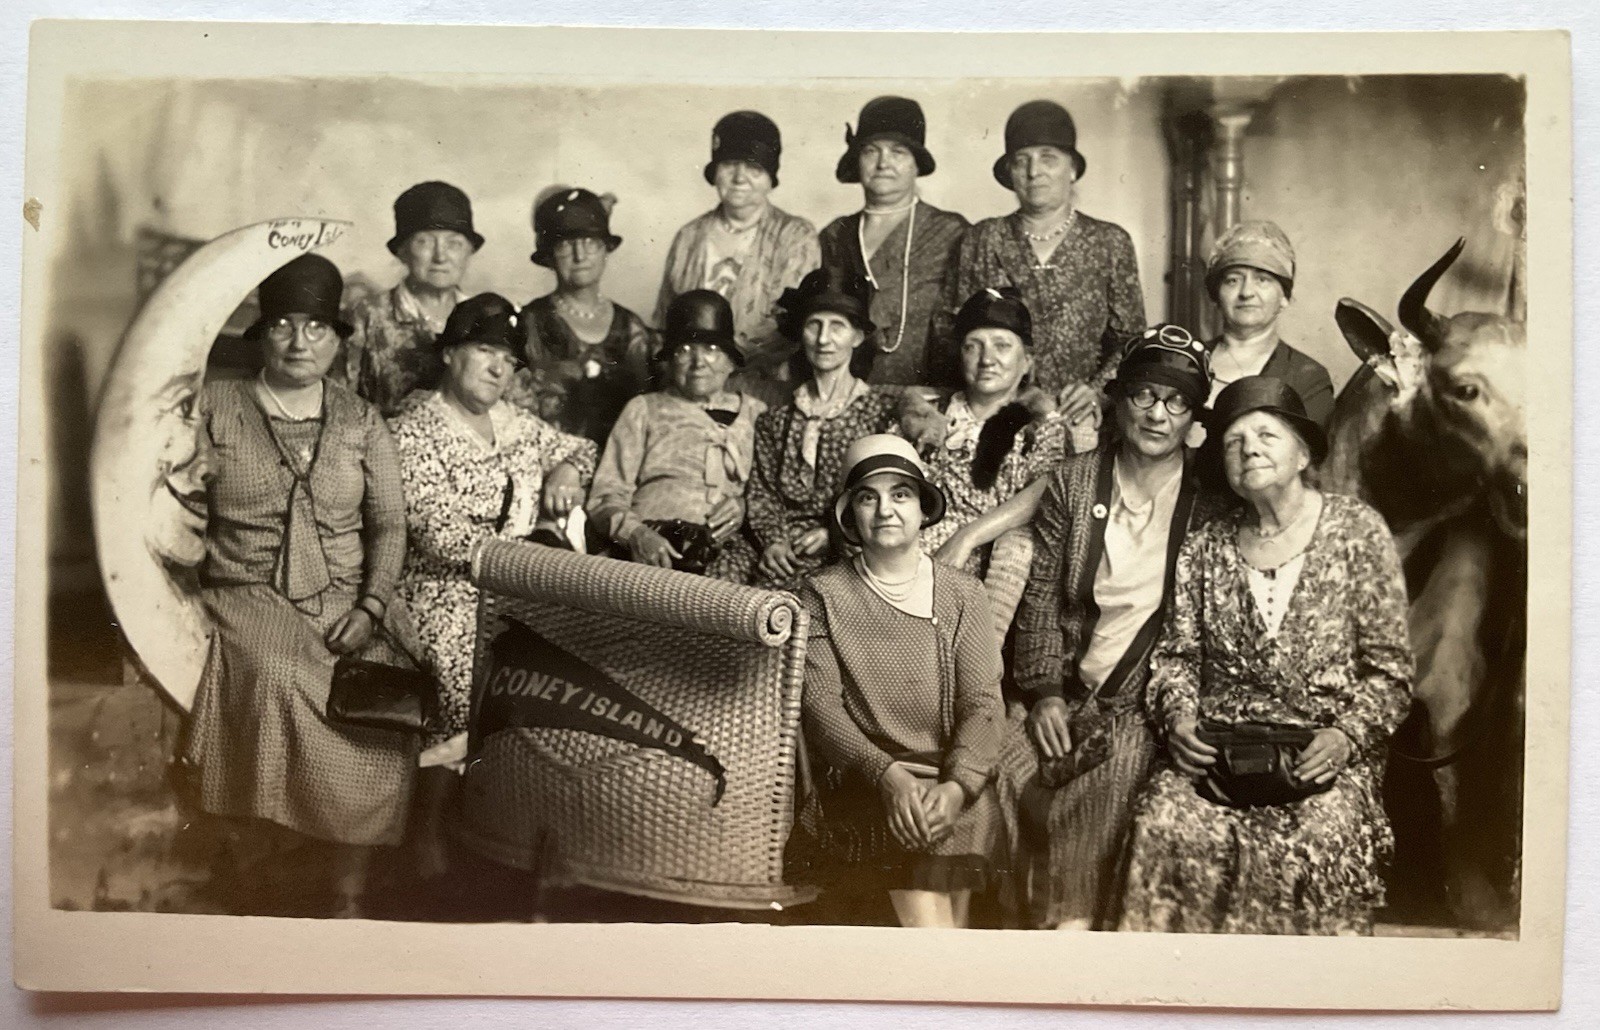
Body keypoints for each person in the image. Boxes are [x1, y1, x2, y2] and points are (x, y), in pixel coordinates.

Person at [1117, 376, 1413, 935]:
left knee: (1320, 836)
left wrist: (1347, 736)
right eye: (1233, 441)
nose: (1249, 447)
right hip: (1219, 752)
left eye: (1266, 435)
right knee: (1163, 821)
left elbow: (1391, 673)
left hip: (1322, 756)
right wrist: (1178, 718)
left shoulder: (1357, 531)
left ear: (1303, 453)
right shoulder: (1205, 545)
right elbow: (1176, 658)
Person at [182, 253, 417, 917]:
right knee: (281, 678)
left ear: (339, 340)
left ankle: (346, 889)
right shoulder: (216, 408)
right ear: (261, 336)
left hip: (347, 596)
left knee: (383, 691)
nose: (299, 343)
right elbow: (175, 501)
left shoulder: (360, 420)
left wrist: (372, 607)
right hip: (248, 589)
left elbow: (391, 526)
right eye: (283, 326)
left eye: (316, 329)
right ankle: (265, 876)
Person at [1000, 324, 1214, 930]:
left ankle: (1070, 944)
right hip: (1065, 687)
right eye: (1145, 394)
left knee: (1103, 796)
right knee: (997, 774)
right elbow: (1040, 599)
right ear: (1119, 400)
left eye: (1176, 402)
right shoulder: (1074, 481)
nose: (1157, 414)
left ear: (1192, 417)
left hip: (1142, 702)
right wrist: (1042, 694)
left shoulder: (1209, 495)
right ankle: (999, 947)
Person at [388, 293, 597, 877]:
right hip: (444, 592)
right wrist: (527, 562)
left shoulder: (517, 425)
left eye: (509, 359)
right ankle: (433, 837)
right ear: (451, 355)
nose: (499, 368)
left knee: (573, 678)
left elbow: (582, 447)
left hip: (524, 590)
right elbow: (438, 533)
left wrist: (564, 469)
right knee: (468, 676)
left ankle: (529, 837)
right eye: (485, 351)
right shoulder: (413, 429)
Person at [795, 434, 1007, 927]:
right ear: (850, 514)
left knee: (952, 938)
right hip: (866, 782)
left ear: (921, 507)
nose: (885, 510)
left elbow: (982, 703)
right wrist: (890, 779)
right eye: (868, 497)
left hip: (951, 782)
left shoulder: (963, 594)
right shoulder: (820, 594)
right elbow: (821, 705)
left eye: (900, 494)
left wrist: (956, 789)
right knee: (936, 948)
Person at [939, 100, 1145, 424]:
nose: (1035, 172)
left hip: (1080, 419)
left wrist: (1099, 391)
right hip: (995, 419)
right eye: (1022, 161)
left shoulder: (1110, 243)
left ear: (1073, 168)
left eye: (1048, 158)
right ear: (1010, 173)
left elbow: (1131, 341)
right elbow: (949, 332)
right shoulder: (982, 239)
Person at [588, 290, 765, 582]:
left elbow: (773, 496)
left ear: (730, 360)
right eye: (684, 350)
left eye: (710, 348)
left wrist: (746, 507)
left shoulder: (758, 414)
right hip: (652, 554)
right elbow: (605, 496)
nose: (698, 362)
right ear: (669, 360)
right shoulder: (644, 409)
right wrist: (637, 535)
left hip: (730, 558)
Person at [747, 268, 899, 590]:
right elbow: (762, 492)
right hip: (779, 548)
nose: (823, 339)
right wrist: (772, 542)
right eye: (813, 325)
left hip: (847, 549)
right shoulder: (775, 420)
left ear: (857, 337)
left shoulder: (881, 415)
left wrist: (834, 534)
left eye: (837, 326)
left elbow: (883, 493)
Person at [654, 110, 820, 405]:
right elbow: (666, 323)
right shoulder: (689, 237)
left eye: (754, 167)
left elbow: (792, 327)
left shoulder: (796, 236)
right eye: (729, 164)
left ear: (770, 177)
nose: (740, 177)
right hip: (690, 389)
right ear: (715, 171)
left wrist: (722, 363)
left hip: (766, 391)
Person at [903, 287, 1067, 574]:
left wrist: (967, 537)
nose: (986, 359)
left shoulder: (1040, 425)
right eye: (973, 346)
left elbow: (1045, 491)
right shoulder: (924, 414)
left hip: (977, 564)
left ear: (1027, 361)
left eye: (1002, 346)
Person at [817, 96, 969, 387]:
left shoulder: (949, 232)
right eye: (871, 151)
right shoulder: (836, 236)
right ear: (857, 160)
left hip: (930, 397)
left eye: (898, 152)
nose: (883, 163)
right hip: (848, 399)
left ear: (916, 165)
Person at [517, 187, 656, 445]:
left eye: (590, 243)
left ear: (605, 250)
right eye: (566, 245)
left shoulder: (633, 327)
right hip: (547, 468)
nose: (580, 256)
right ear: (549, 256)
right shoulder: (528, 323)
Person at [340, 181, 484, 416]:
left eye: (454, 244)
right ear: (403, 251)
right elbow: (340, 402)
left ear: (469, 252)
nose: (440, 256)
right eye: (424, 241)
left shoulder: (483, 316)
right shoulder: (367, 316)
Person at [1203, 221, 1336, 427]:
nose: (1247, 292)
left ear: (1284, 297)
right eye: (1233, 280)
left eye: (1262, 280)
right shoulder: (1189, 361)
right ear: (1217, 296)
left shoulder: (1307, 377)